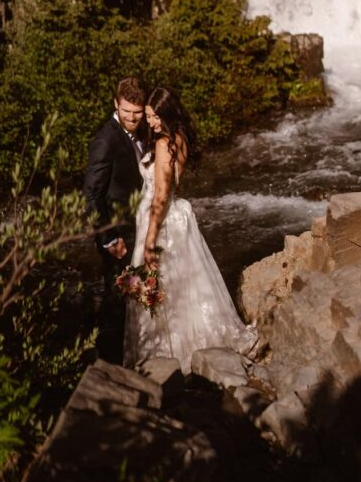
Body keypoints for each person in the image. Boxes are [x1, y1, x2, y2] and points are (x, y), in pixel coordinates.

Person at [124, 86, 256, 373]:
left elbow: (160, 196)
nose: (151, 122)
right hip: (176, 215)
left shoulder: (162, 145)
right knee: (186, 285)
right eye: (148, 117)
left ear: (168, 114)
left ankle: (164, 355)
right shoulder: (179, 137)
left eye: (156, 117)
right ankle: (193, 346)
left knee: (162, 287)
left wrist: (149, 241)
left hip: (159, 221)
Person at [84, 76, 148, 363]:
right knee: (115, 299)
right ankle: (107, 364)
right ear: (115, 104)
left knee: (130, 296)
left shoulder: (141, 129)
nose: (133, 118)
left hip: (137, 226)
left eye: (137, 111)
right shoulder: (105, 140)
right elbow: (92, 195)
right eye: (127, 111)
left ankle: (128, 355)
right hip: (116, 234)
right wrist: (108, 239)